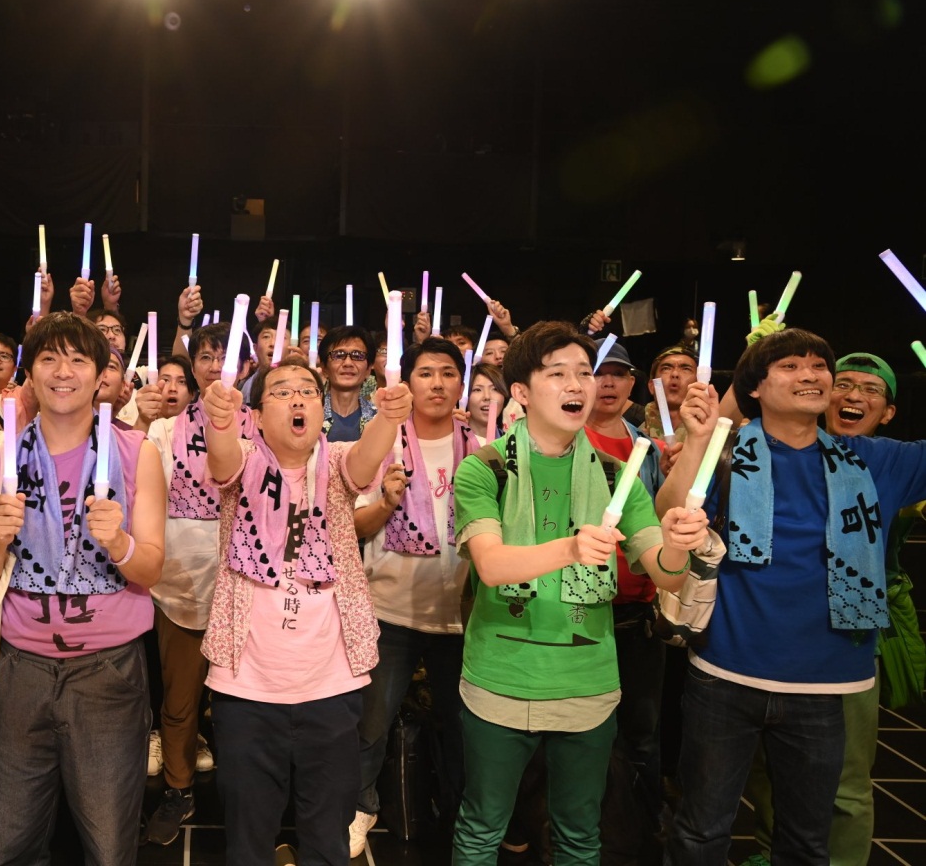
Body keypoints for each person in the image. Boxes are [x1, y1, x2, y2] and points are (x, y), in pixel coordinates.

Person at [659, 331, 926, 866]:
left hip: (826, 681)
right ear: (755, 387)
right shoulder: (727, 452)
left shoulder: (874, 460)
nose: (810, 374)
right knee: (702, 831)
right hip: (725, 672)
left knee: (806, 840)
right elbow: (670, 511)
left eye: (819, 366)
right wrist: (699, 441)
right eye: (790, 365)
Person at [451, 321, 706, 866]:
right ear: (520, 392)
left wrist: (680, 543)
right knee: (482, 827)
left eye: (584, 373)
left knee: (579, 833)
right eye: (557, 373)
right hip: (501, 679)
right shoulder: (484, 469)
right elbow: (491, 565)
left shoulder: (618, 475)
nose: (577, 385)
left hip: (587, 684)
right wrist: (570, 548)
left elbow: (666, 574)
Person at [0, 311, 166, 866]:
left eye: (78, 359)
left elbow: (150, 568)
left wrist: (119, 543)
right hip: (20, 667)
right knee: (13, 838)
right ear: (29, 375)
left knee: (109, 842)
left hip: (108, 670)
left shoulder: (136, 453)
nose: (63, 371)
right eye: (49, 359)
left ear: (101, 375)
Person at [200, 358, 410, 866]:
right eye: (281, 391)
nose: (297, 398)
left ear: (321, 409)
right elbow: (221, 457)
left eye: (308, 391)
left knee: (327, 837)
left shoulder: (336, 461)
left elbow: (366, 461)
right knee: (248, 838)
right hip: (246, 687)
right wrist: (219, 419)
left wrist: (388, 416)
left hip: (331, 685)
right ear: (256, 414)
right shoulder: (244, 461)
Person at [740, 352, 906, 866]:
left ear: (889, 412)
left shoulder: (887, 462)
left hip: (842, 652)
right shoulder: (757, 450)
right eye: (845, 384)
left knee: (845, 785)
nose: (853, 396)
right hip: (763, 649)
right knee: (767, 775)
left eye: (870, 390)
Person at [349, 336, 478, 855]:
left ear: (461, 383)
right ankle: (359, 806)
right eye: (426, 373)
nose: (437, 384)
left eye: (448, 373)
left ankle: (462, 814)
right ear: (406, 381)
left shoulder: (483, 447)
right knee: (372, 721)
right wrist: (386, 501)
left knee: (462, 726)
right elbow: (354, 525)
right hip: (392, 611)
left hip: (462, 616)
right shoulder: (383, 441)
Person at [142, 327, 251, 845]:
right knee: (180, 700)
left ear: (246, 368)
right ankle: (178, 788)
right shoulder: (165, 431)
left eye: (227, 358)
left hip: (246, 588)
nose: (215, 367)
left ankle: (244, 795)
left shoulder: (262, 427)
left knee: (243, 704)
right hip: (180, 586)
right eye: (206, 357)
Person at [582, 337, 672, 822]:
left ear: (632, 383)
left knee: (641, 727)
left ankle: (640, 825)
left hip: (637, 610)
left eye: (618, 374)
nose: (608, 383)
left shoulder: (649, 449)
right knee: (580, 727)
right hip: (580, 607)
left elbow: (658, 522)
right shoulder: (564, 440)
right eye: (597, 373)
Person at [320, 325, 378, 443]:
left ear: (368, 369)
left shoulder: (378, 419)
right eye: (338, 355)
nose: (348, 363)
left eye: (357, 356)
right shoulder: (311, 415)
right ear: (324, 368)